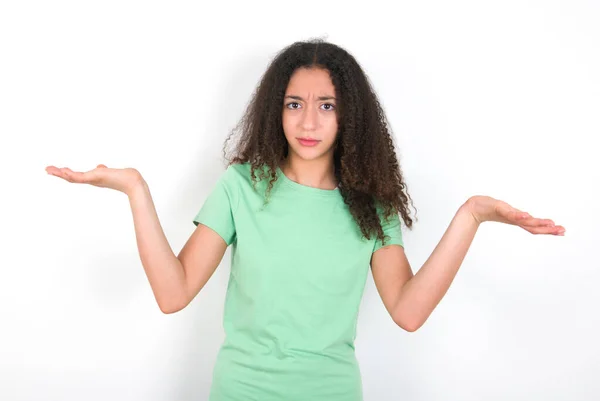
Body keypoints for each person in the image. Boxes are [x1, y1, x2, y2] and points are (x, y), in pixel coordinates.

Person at [45, 39, 565, 401]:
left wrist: (471, 215)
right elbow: (173, 293)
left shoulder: (371, 205)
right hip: (241, 390)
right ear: (277, 109)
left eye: (326, 105)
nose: (309, 121)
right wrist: (136, 189)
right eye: (295, 104)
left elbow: (408, 311)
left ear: (349, 116)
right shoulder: (241, 187)